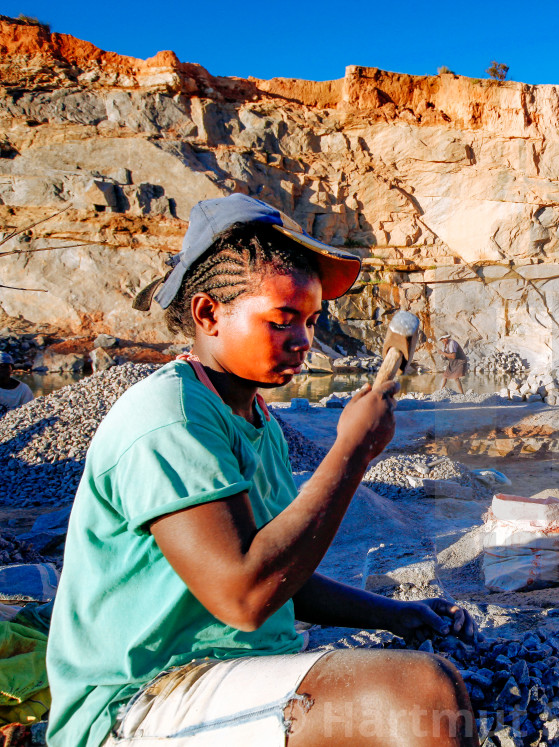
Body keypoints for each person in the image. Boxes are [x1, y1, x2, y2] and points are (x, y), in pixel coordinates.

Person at [47, 195, 478, 747]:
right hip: (137, 704)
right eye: (282, 321)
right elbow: (246, 596)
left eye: (311, 321)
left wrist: (396, 615)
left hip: (222, 673)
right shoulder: (169, 418)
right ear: (208, 315)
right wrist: (351, 453)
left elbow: (279, 573)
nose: (304, 342)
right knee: (422, 699)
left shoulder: (257, 421)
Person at [0, 352, 33, 417]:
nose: (1, 369)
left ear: (11, 369)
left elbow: (30, 409)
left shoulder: (23, 389)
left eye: (4, 366)